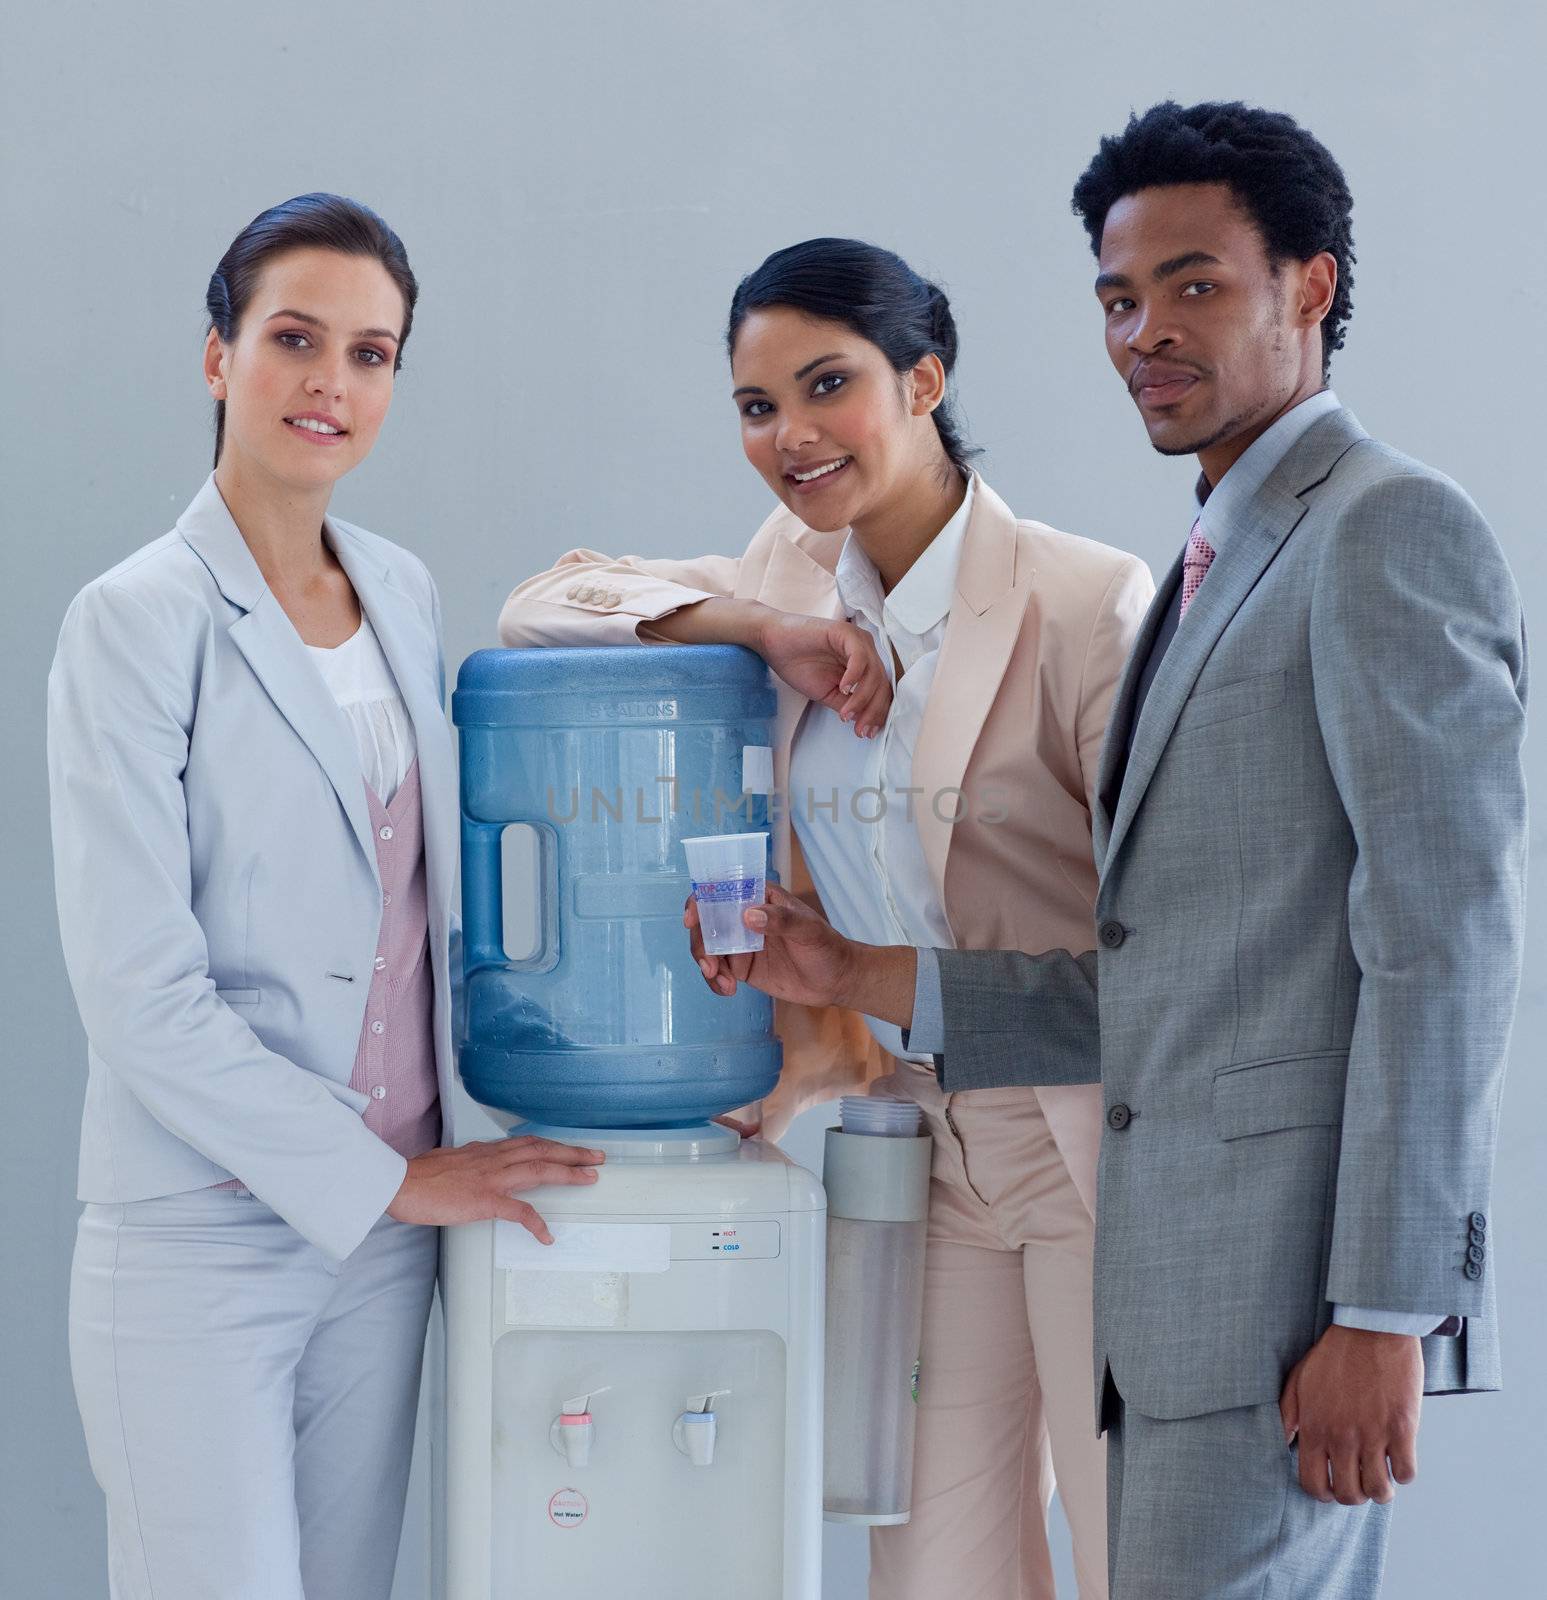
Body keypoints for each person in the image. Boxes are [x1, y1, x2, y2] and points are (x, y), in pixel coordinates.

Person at [714, 106, 1527, 1599]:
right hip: (1164, 1288)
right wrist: (858, 973)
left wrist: (1389, 1312)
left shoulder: (1384, 530)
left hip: (1276, 1305)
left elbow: (1444, 948)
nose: (1146, 331)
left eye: (1196, 284)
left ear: (1311, 288)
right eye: (1118, 296)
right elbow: (1152, 970)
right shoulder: (1221, 553)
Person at [498, 237, 1151, 1599]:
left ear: (924, 378)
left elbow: (1159, 952)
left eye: (827, 385)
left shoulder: (1087, 600)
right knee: (933, 1572)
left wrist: (863, 964)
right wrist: (750, 625)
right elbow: (541, 600)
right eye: (755, 405)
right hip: (905, 1138)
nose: (790, 435)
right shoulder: (785, 579)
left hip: (1087, 1134)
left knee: (1139, 1554)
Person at [48, 193, 604, 1600]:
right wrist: (388, 1179)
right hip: (206, 1232)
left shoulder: (402, 590)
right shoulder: (136, 620)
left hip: (386, 1247)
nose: (331, 383)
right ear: (220, 355)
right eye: (296, 338)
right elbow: (136, 992)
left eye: (372, 353)